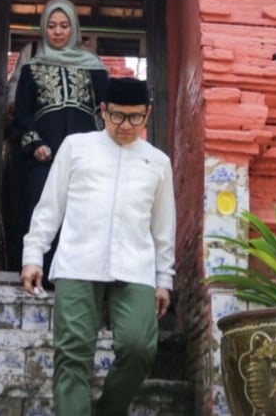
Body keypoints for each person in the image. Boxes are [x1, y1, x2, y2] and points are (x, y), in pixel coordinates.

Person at [20, 77, 177, 416]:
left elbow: (163, 227)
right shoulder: (77, 147)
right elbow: (50, 207)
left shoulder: (158, 162)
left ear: (147, 114)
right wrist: (34, 255)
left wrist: (165, 278)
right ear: (102, 111)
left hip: (135, 268)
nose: (126, 125)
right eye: (118, 116)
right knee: (72, 354)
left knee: (139, 347)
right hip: (78, 262)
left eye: (135, 117)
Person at [10, 0, 109, 275]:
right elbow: (22, 112)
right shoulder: (32, 67)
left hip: (85, 148)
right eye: (51, 26)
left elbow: (107, 108)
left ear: (73, 28)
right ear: (44, 29)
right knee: (40, 203)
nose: (57, 31)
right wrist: (35, 144)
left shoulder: (93, 66)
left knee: (82, 207)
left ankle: (77, 275)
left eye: (64, 25)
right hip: (46, 150)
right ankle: (38, 270)